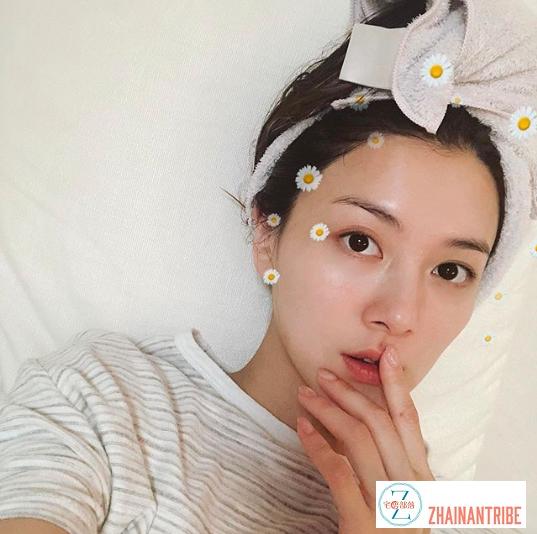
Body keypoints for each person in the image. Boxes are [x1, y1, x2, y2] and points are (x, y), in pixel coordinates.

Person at [0, 0, 535, 532]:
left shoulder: (454, 514)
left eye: (450, 271)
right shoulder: (103, 402)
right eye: (359, 241)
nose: (398, 314)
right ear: (267, 233)